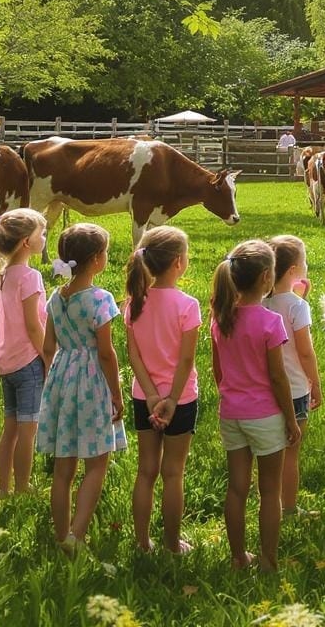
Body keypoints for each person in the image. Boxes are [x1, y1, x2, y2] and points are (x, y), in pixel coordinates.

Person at [210, 239, 300, 573]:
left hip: (231, 414)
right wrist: (291, 419)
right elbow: (278, 378)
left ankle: (238, 558)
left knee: (236, 489)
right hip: (265, 417)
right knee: (270, 491)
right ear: (266, 278)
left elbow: (218, 371)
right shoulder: (270, 322)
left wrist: (232, 395)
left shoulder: (220, 320)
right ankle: (268, 561)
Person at [36, 222, 126, 555]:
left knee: (64, 467)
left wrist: (56, 377)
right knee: (96, 463)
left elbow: (48, 347)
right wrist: (116, 393)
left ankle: (62, 535)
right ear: (97, 259)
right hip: (92, 381)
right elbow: (106, 352)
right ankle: (77, 534)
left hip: (62, 376)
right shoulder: (100, 299)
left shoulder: (55, 298)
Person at [124, 226, 201, 554]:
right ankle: (172, 545)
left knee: (145, 471)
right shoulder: (188, 305)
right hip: (180, 400)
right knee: (173, 474)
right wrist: (170, 399)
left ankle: (143, 543)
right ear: (178, 262)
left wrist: (152, 395)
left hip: (143, 398)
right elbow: (186, 360)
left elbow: (133, 356)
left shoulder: (134, 303)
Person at [0, 208, 48, 497]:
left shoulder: (2, 274)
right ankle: (22, 488)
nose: (44, 238)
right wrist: (48, 357)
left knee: (9, 429)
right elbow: (34, 326)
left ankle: (2, 487)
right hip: (28, 362)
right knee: (27, 431)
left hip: (7, 362)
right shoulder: (30, 277)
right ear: (26, 242)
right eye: (42, 234)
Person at [264, 235, 322, 518]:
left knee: (269, 453)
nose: (307, 266)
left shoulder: (260, 303)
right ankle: (288, 508)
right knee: (291, 453)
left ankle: (267, 503)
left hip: (265, 390)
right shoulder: (298, 307)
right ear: (292, 271)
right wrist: (316, 385)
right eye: (304, 261)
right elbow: (305, 353)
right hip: (296, 390)